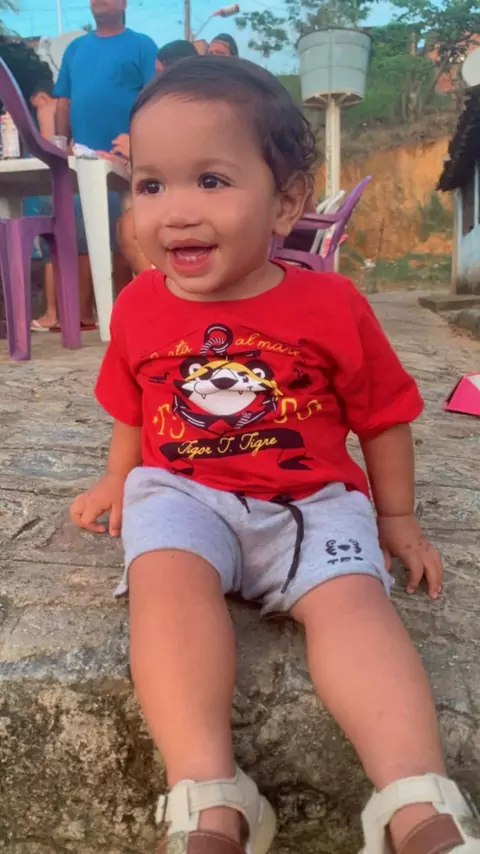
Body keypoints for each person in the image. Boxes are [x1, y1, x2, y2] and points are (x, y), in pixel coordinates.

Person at [70, 57, 479, 854]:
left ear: (287, 201)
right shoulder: (141, 305)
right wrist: (120, 478)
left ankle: (416, 800)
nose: (176, 211)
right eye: (151, 185)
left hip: (310, 503)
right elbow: (134, 404)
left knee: (356, 606)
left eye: (211, 180)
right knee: (163, 584)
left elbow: (384, 418)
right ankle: (210, 794)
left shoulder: (330, 302)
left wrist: (396, 518)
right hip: (183, 491)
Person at [33, 0, 158, 330]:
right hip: (82, 162)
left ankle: (132, 313)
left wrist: (138, 144)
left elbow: (154, 99)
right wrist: (62, 144)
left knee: (127, 235)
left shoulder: (142, 45)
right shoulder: (75, 49)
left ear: (124, 3)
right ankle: (88, 315)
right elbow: (64, 101)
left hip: (129, 161)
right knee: (82, 234)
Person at [116, 37, 200, 276]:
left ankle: (167, 288)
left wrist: (137, 151)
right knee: (126, 224)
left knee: (130, 226)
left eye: (158, 73)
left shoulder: (195, 105)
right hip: (184, 191)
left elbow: (189, 155)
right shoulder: (179, 106)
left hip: (195, 195)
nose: (155, 81)